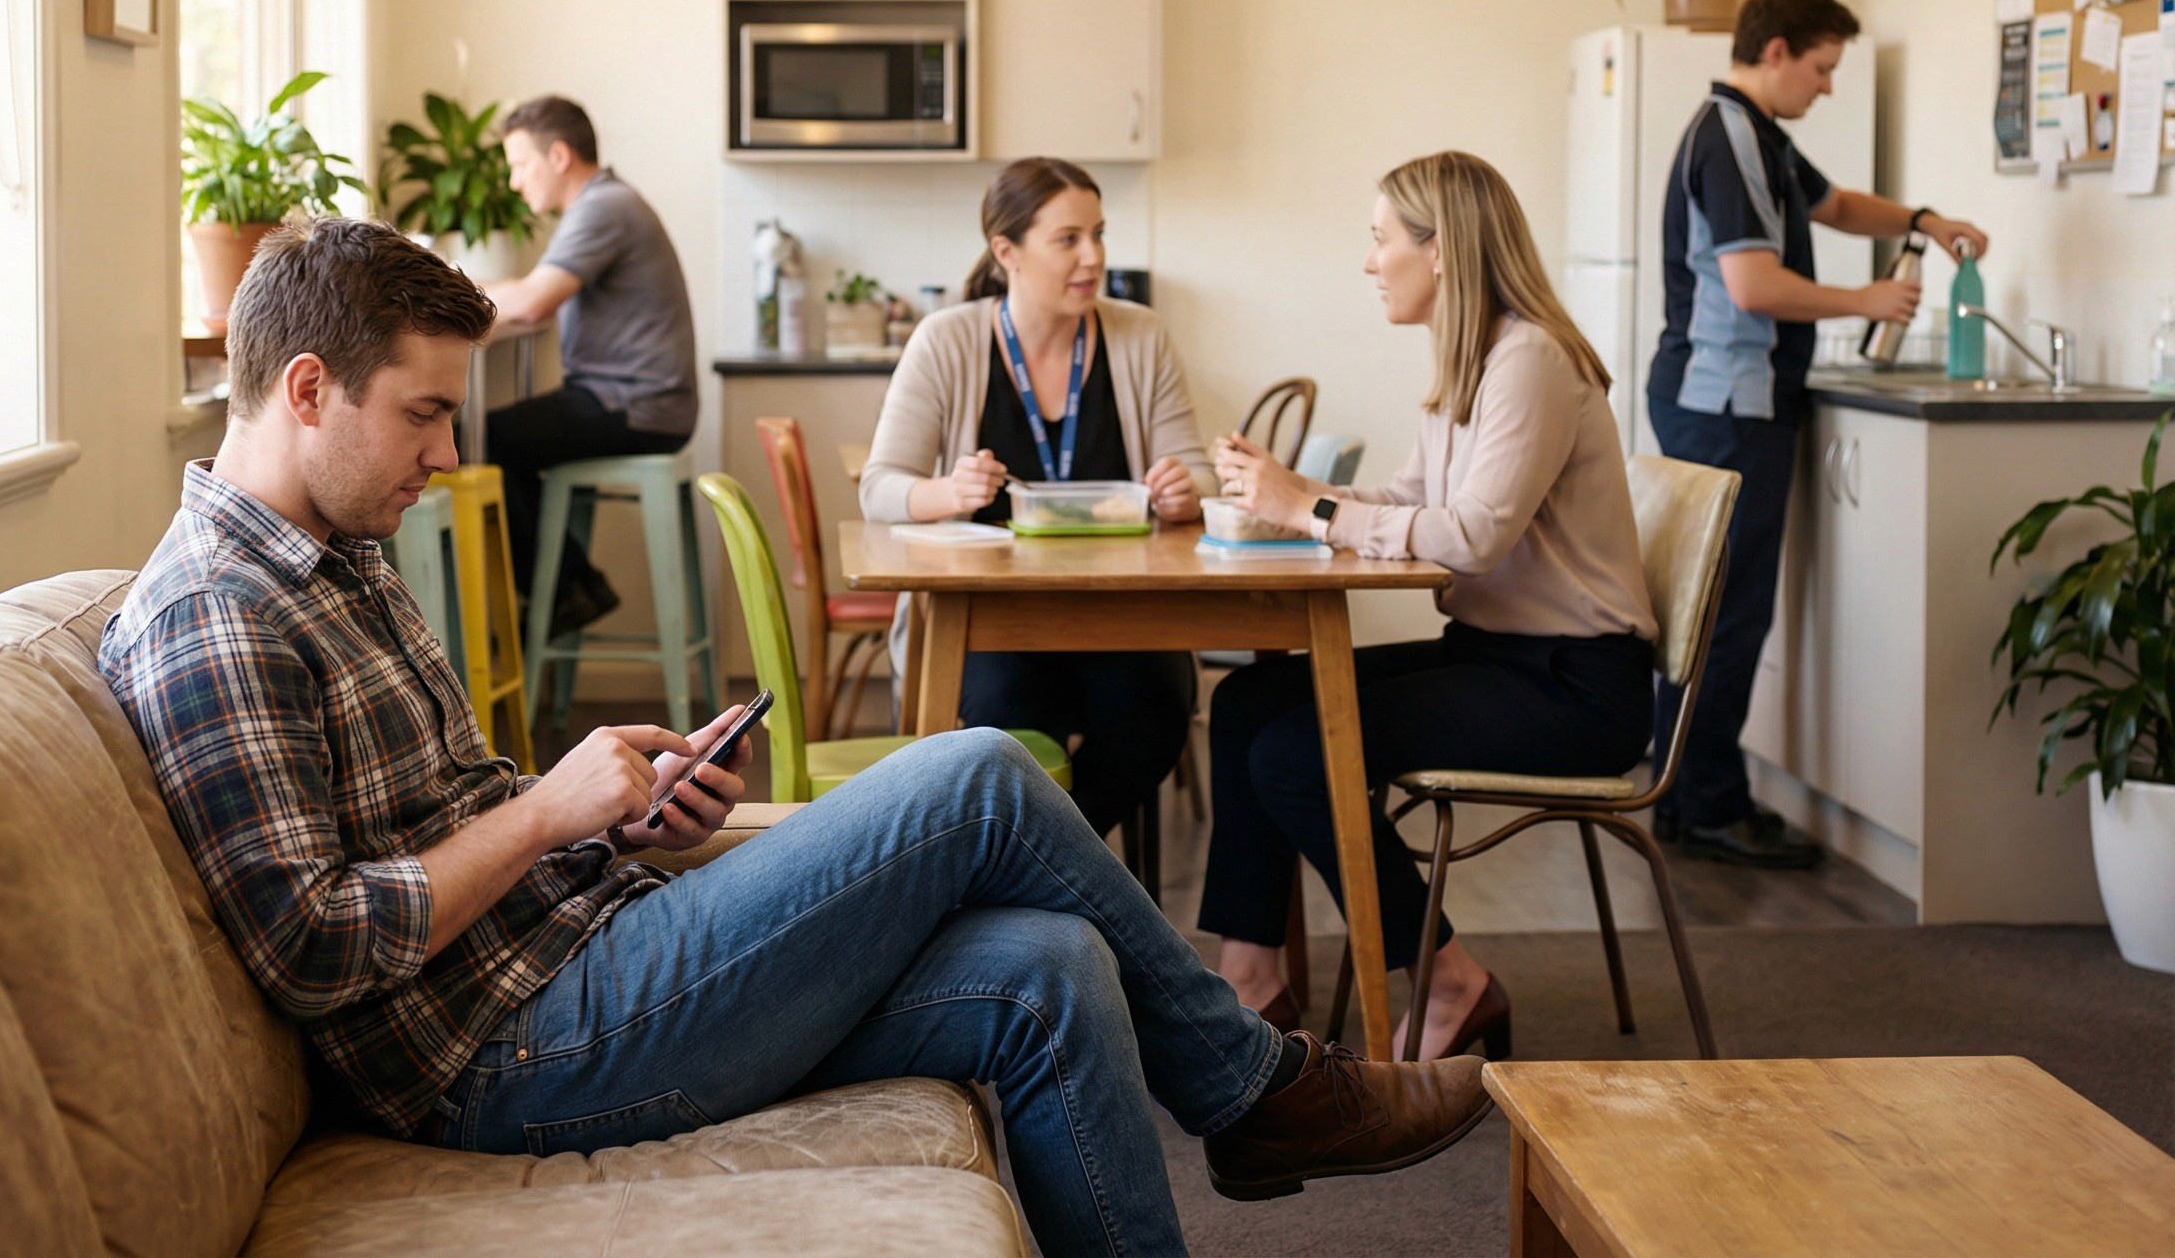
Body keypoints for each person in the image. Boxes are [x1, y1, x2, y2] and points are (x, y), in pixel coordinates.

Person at [100, 216, 1493, 1258]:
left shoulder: (331, 554)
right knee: (977, 775)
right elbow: (317, 945)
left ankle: (1252, 1103)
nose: (448, 452)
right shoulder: (218, 616)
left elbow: (431, 823)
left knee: (1052, 967)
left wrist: (616, 814)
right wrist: (541, 815)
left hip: (578, 947)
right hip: (511, 1053)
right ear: (300, 389)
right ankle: (1255, 1092)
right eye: (421, 413)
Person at [1204, 153, 1660, 1063]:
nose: (1371, 262)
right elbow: (1414, 499)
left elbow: (1473, 536)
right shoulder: (1474, 356)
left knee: (1299, 751)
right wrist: (1297, 495)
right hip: (1496, 655)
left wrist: (1313, 511)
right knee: (1247, 705)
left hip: (1577, 689)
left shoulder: (1530, 358)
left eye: (1381, 241)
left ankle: (1451, 977)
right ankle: (1248, 976)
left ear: (1441, 249)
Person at [1647, 0, 1986, 867]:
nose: (1829, 87)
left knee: (1710, 610)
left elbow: (1834, 206)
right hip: (1728, 404)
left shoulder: (1755, 135)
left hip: (1719, 399)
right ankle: (1709, 802)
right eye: (1824, 68)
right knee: (1727, 616)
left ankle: (1681, 794)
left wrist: (1923, 220)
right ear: (1777, 52)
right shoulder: (1730, 142)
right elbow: (1752, 285)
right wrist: (1863, 299)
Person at [859, 158, 1213, 836]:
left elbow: (1198, 473)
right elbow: (881, 487)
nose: (1094, 257)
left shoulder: (1141, 336)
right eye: (1069, 239)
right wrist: (947, 491)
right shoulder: (947, 340)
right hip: (991, 621)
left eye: (1100, 235)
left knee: (1161, 710)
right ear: (1007, 252)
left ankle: (1042, 871)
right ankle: (1057, 884)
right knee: (1009, 724)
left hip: (1122, 616)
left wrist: (1184, 490)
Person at [483, 96, 697, 631]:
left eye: (520, 165)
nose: (514, 182)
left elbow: (534, 301)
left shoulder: (603, 207)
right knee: (498, 438)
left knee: (486, 441)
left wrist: (443, 292)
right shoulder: (605, 204)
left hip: (637, 406)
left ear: (558, 156)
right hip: (637, 400)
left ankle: (566, 592)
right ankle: (571, 588)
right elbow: (534, 300)